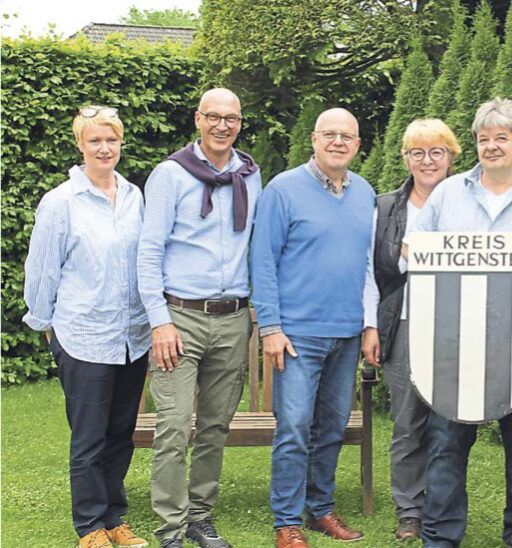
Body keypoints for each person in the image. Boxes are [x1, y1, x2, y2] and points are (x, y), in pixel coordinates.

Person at [409, 97, 512, 548]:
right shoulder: (448, 192)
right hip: (454, 347)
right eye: (483, 139)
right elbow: (414, 255)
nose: (491, 147)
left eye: (501, 138)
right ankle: (439, 534)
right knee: (444, 443)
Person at [137, 88, 262, 548]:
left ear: (240, 123)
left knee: (214, 427)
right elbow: (149, 250)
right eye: (214, 117)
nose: (222, 125)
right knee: (172, 427)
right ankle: (170, 529)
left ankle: (200, 518)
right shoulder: (170, 175)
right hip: (180, 318)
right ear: (197, 119)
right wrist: (159, 321)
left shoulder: (251, 173)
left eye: (231, 118)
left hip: (233, 319)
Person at [23, 106, 151, 548]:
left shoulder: (135, 196)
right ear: (80, 145)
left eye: (111, 139)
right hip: (83, 337)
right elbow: (42, 270)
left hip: (132, 339)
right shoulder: (61, 202)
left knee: (121, 435)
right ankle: (91, 527)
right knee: (89, 439)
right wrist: (44, 324)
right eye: (95, 140)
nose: (104, 148)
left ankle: (116, 518)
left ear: (120, 143)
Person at [250, 108, 374, 548]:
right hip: (297, 335)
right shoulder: (283, 189)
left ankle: (320, 508)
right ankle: (287, 520)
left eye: (347, 136)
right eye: (330, 134)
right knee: (294, 427)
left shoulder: (364, 193)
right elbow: (262, 260)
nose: (338, 142)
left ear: (358, 145)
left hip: (347, 332)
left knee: (333, 425)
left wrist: (369, 325)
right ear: (314, 139)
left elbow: (366, 266)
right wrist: (270, 326)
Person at [361, 119, 462, 541]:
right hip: (401, 327)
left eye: (437, 151)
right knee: (407, 425)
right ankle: (410, 511)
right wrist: (371, 326)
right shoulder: (385, 207)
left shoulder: (469, 203)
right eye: (417, 152)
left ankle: (441, 509)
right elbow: (369, 272)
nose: (427, 161)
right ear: (405, 158)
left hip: (457, 330)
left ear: (452, 157)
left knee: (449, 427)